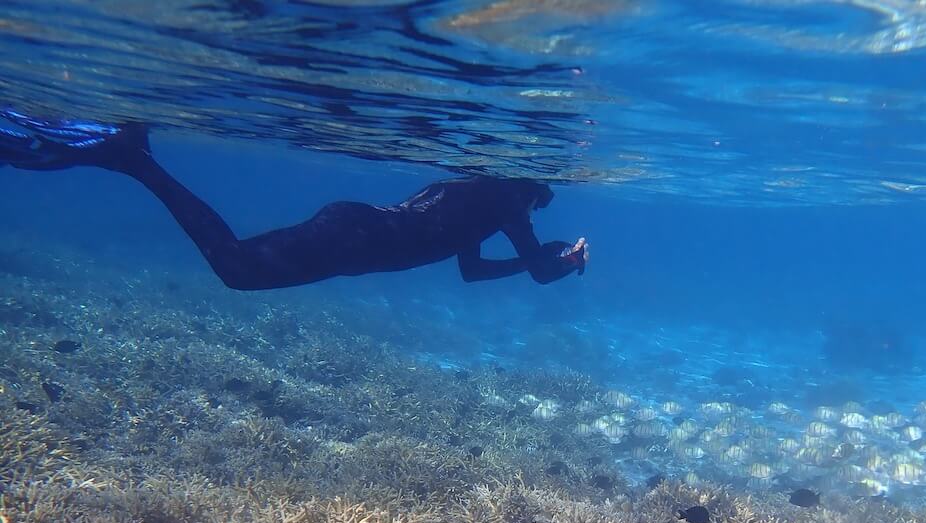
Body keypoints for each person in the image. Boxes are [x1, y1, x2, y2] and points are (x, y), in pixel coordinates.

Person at [0, 109, 589, 291]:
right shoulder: (509, 202)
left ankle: (115, 156)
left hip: (356, 228)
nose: (533, 215)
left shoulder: (478, 194)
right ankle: (133, 160)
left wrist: (543, 257)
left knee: (235, 266)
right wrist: (563, 260)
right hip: (357, 241)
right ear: (531, 191)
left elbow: (472, 271)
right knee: (233, 270)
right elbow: (538, 272)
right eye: (539, 206)